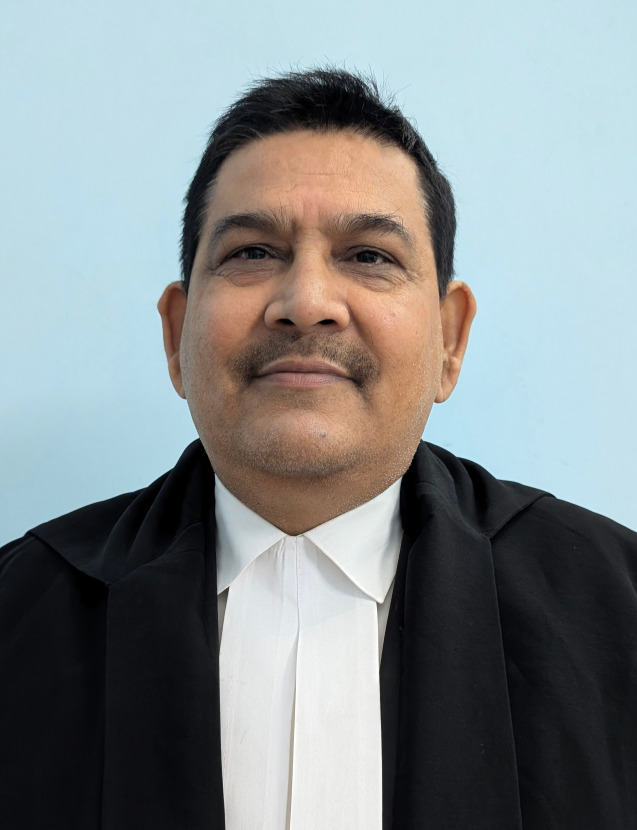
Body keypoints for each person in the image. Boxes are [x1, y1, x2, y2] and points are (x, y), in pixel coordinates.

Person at [1, 68, 636, 830]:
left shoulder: (617, 614)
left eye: (368, 256)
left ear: (450, 339)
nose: (305, 303)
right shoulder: (18, 616)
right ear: (175, 335)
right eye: (251, 252)